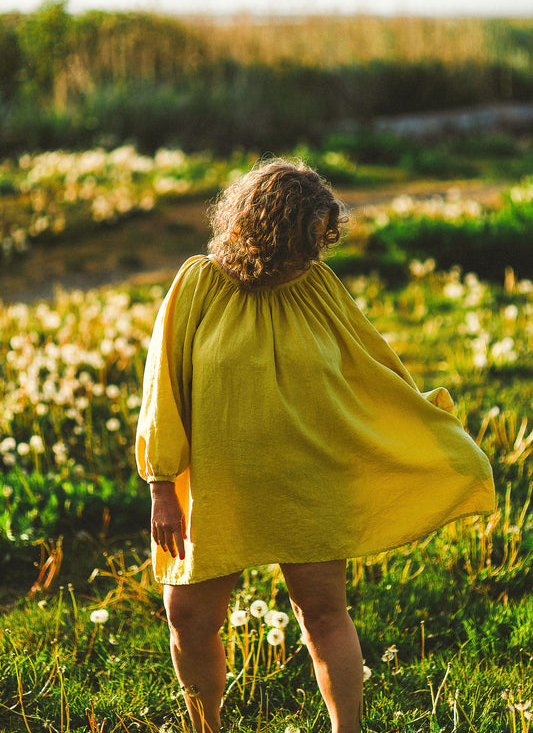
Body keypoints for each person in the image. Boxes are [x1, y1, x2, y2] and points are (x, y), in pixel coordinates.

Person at [136, 158, 494, 733]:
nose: (314, 254)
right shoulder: (198, 284)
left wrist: (424, 421)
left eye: (321, 241)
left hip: (310, 479)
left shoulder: (319, 285)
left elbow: (370, 365)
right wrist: (160, 485)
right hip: (217, 488)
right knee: (187, 616)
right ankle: (205, 728)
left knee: (324, 613)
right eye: (305, 241)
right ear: (265, 231)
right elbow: (164, 388)